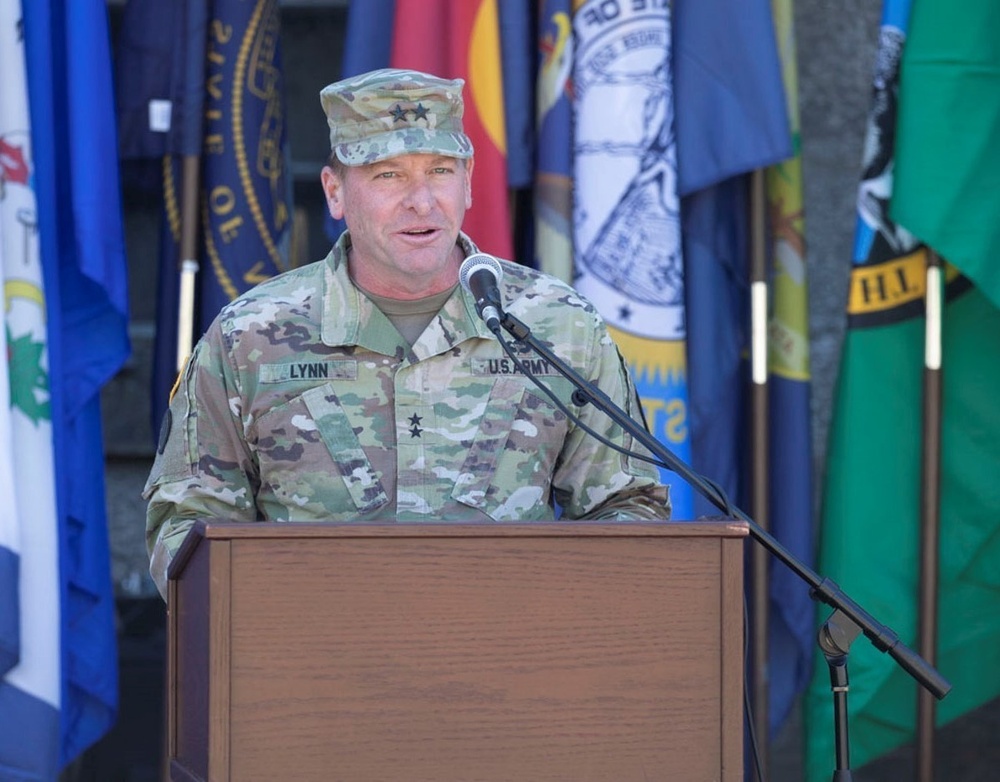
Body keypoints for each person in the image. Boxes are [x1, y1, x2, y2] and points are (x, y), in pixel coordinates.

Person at [143, 68, 670, 598]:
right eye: (387, 175)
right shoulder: (250, 336)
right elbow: (188, 526)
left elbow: (626, 507)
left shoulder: (558, 325)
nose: (421, 201)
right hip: (314, 665)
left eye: (440, 170)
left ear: (467, 183)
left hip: (513, 656)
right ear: (335, 192)